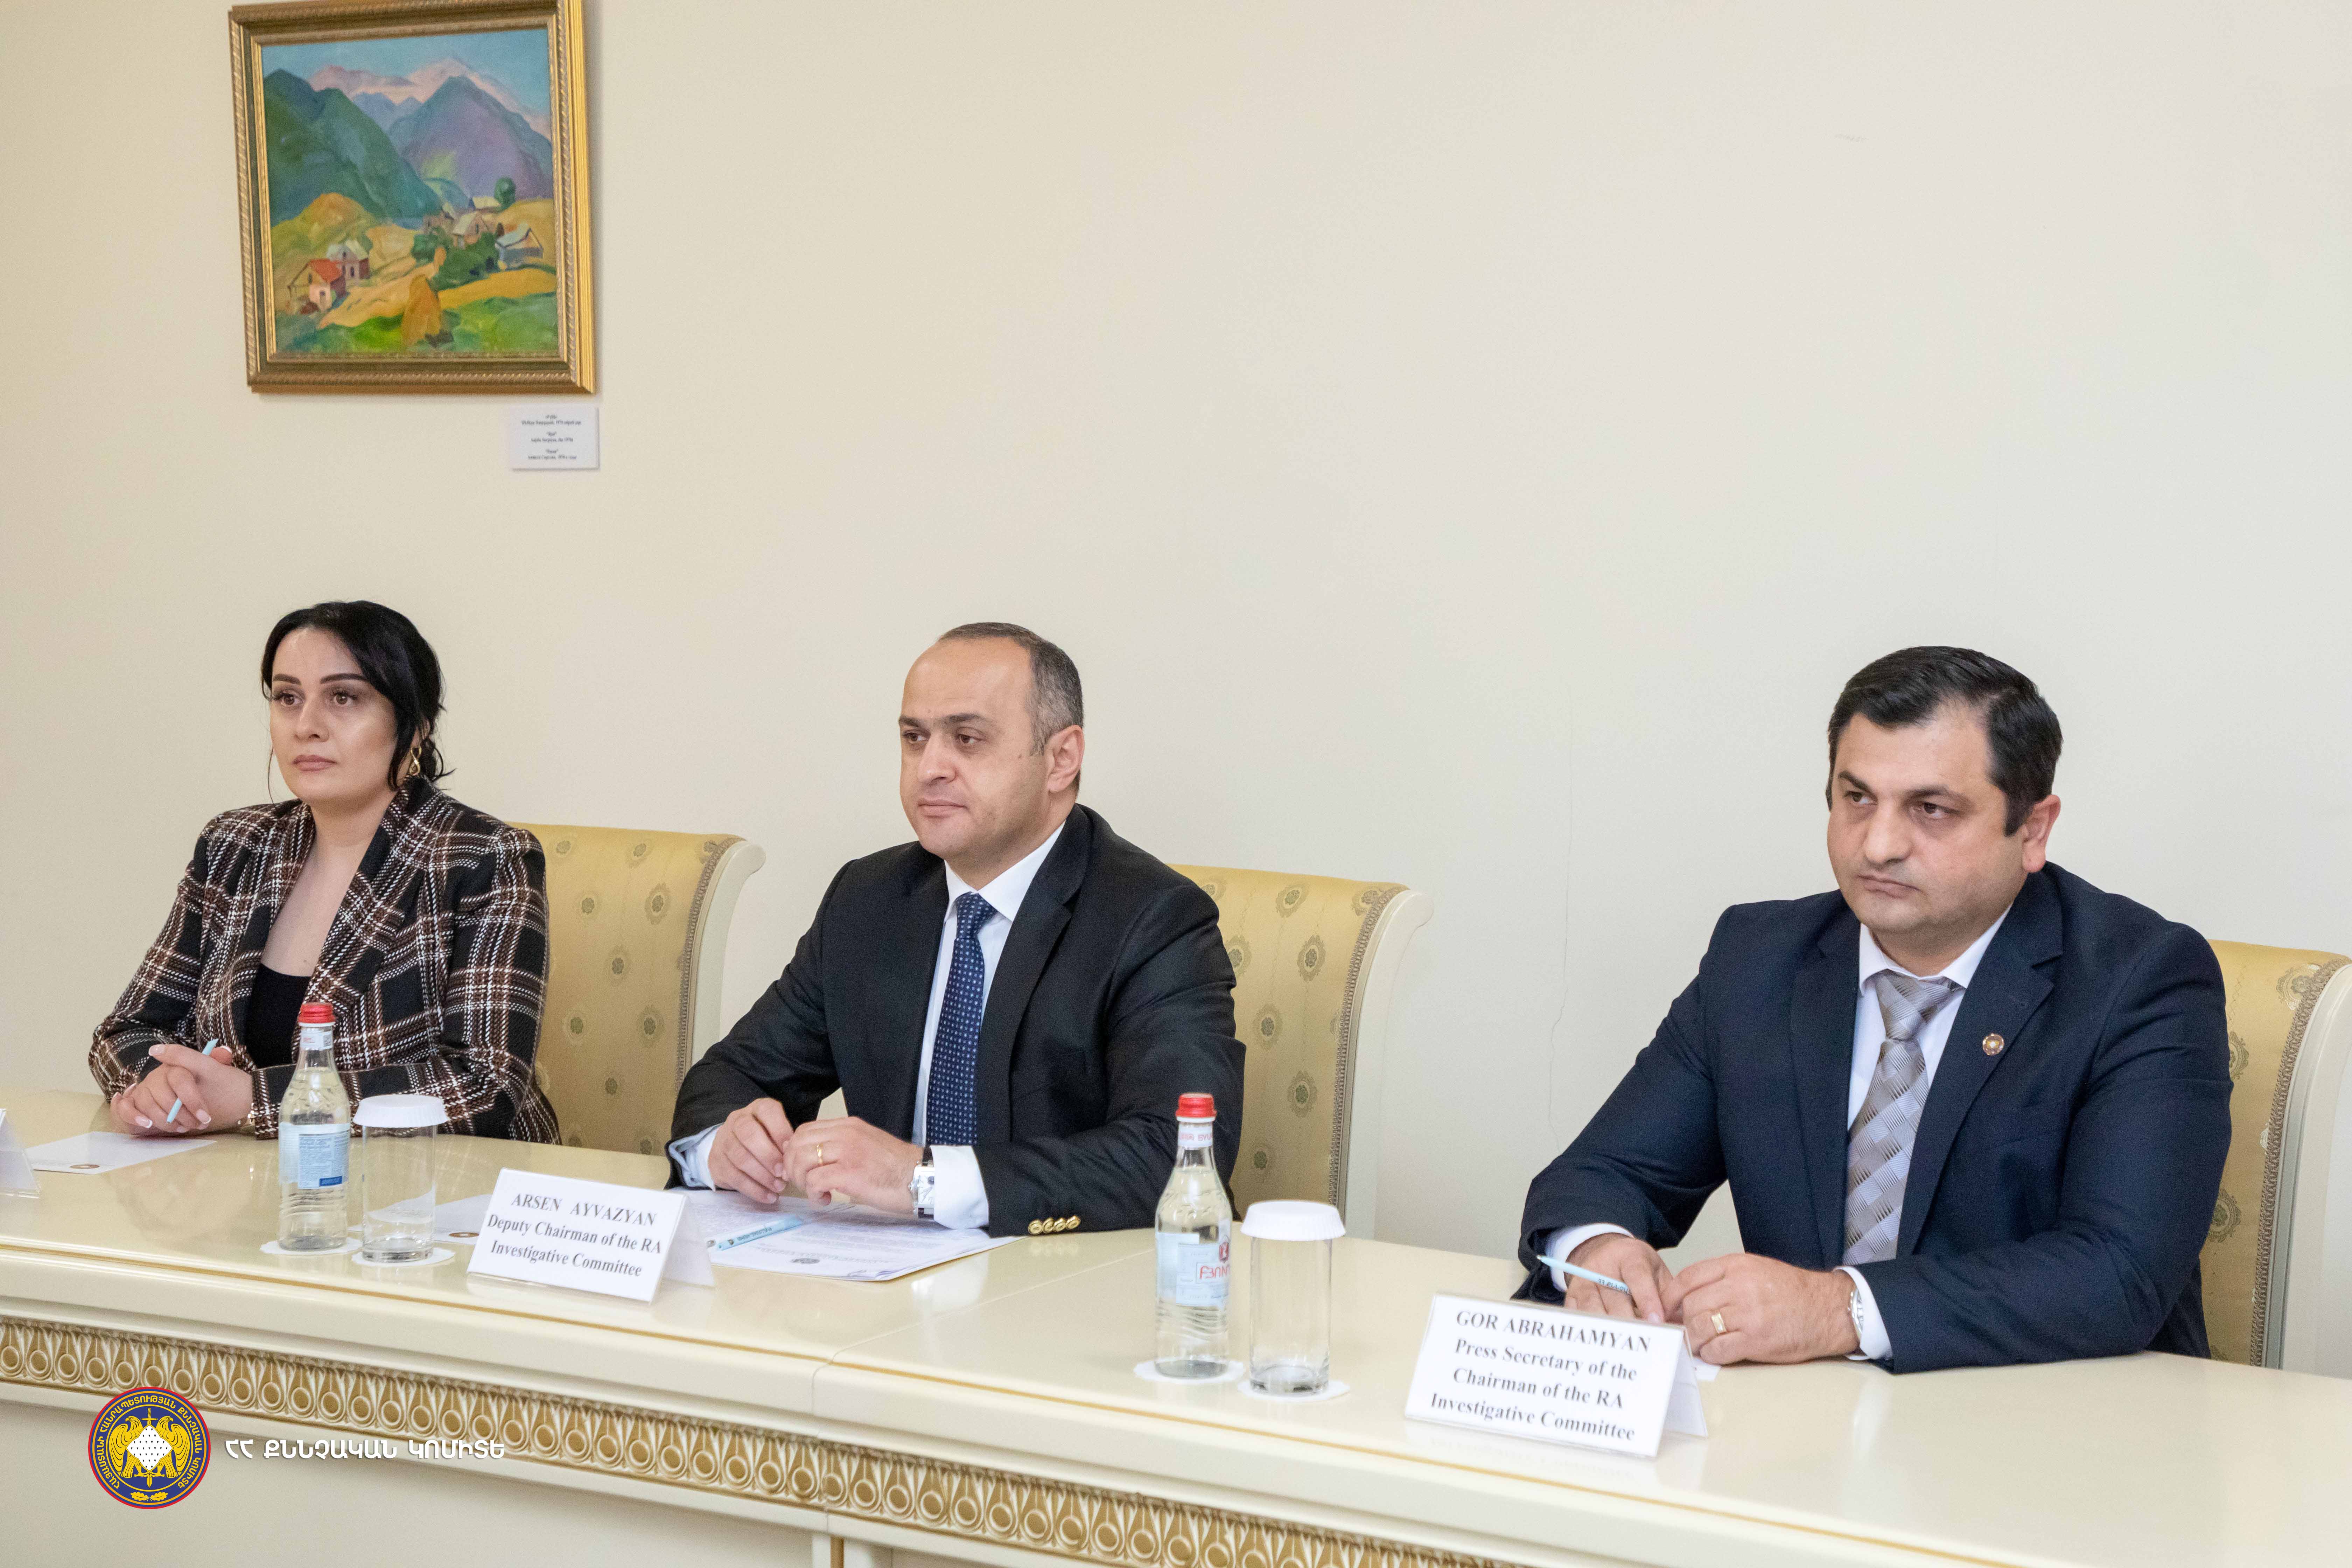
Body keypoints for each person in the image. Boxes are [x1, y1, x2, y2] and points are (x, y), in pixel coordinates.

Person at [1520, 646, 2230, 1373]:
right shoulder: (1758, 959)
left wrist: (1841, 1309)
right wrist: (1598, 1247)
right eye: (1857, 798)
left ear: (2033, 829)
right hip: (1805, 1420)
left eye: (1932, 810)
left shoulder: (2141, 979)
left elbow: (2118, 1271)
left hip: (2059, 1416)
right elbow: (1601, 1174)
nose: (1880, 845)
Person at [670, 622, 1241, 1236]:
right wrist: (725, 1145)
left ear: (1061, 759)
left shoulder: (1154, 919)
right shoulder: (868, 900)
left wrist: (923, 1180)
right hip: (884, 1278)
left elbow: (1172, 1156)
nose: (930, 768)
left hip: (1064, 1277)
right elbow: (731, 1078)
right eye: (915, 738)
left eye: (967, 739)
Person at [91, 601, 560, 1143]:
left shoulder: (486, 858)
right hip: (248, 1179)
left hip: (436, 1184)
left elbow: (485, 1087)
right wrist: (160, 1086)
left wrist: (255, 1101)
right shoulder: (233, 846)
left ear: (415, 726)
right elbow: (126, 1031)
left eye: (344, 698)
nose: (307, 727)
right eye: (288, 698)